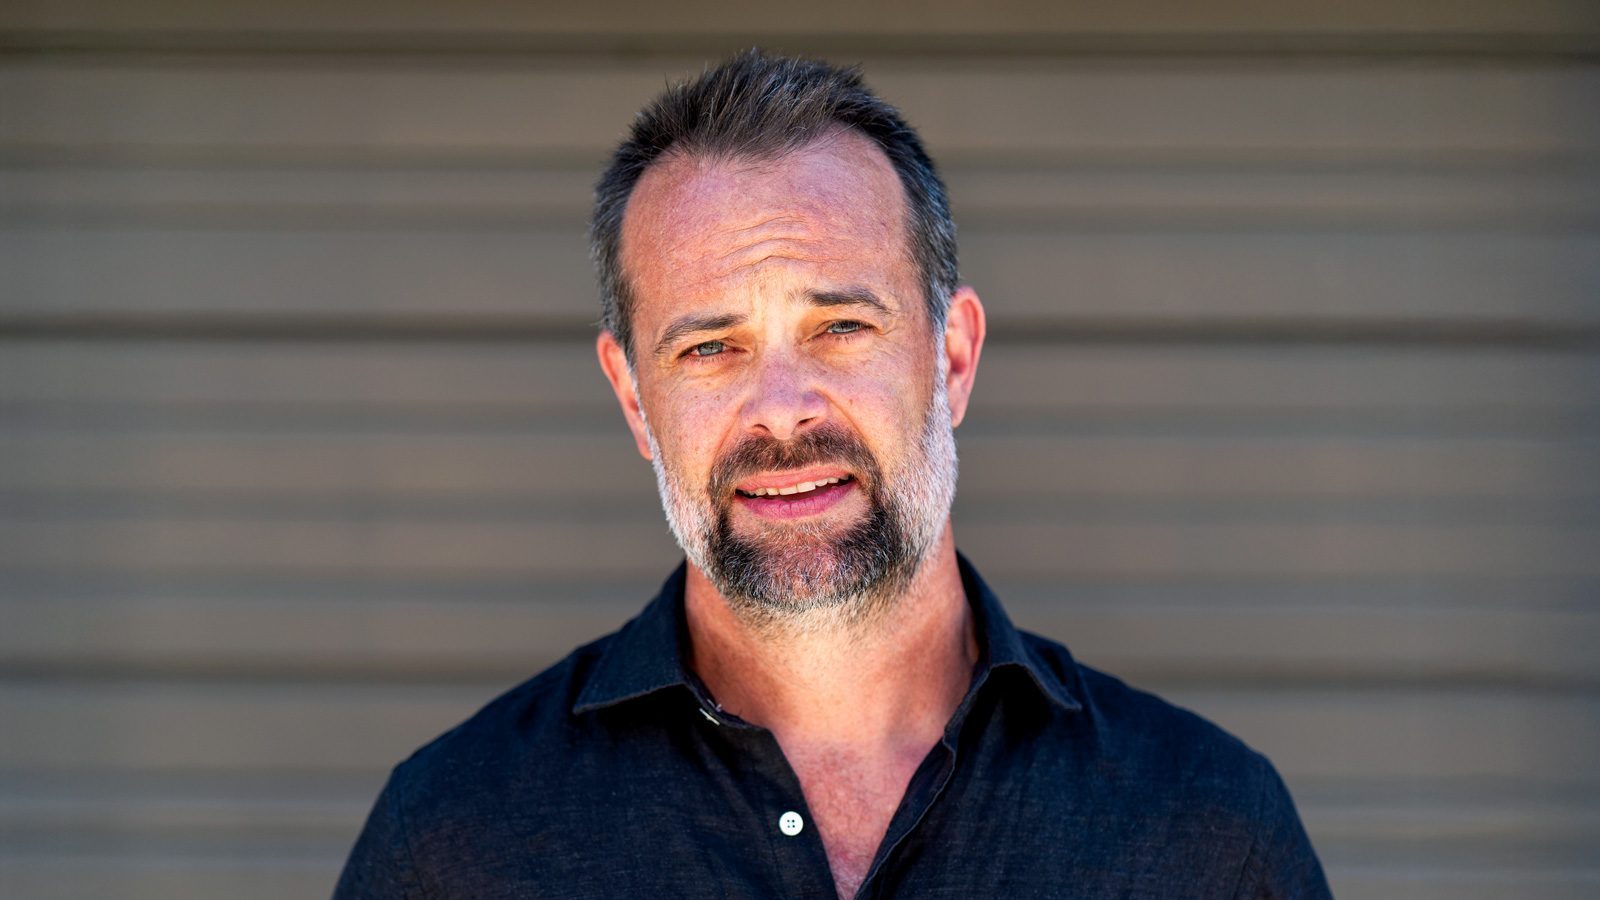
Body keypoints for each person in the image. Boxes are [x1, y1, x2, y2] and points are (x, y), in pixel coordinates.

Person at [334, 50, 1331, 899]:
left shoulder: (1203, 834)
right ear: (635, 398)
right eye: (708, 349)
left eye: (841, 327)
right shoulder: (457, 842)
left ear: (952, 358)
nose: (781, 409)